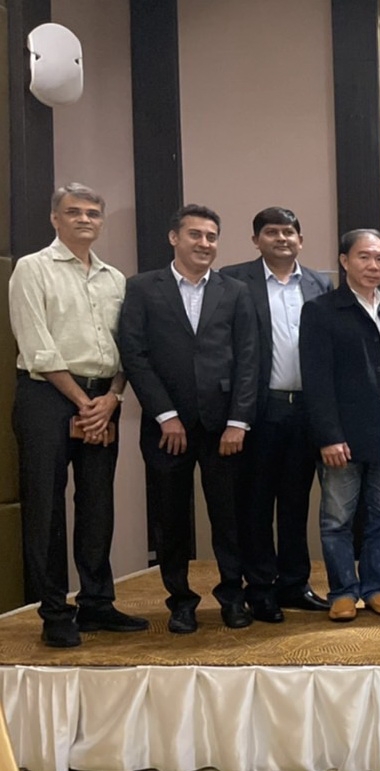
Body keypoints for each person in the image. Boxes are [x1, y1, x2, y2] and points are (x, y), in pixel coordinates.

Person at [10, 183, 146, 647]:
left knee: (97, 505)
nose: (84, 219)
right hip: (46, 397)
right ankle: (54, 612)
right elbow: (37, 346)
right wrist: (82, 403)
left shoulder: (115, 279)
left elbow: (127, 346)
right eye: (74, 212)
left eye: (92, 213)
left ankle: (97, 603)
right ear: (55, 218)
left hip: (103, 398)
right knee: (46, 507)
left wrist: (112, 398)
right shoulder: (32, 268)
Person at [117, 204, 258, 634]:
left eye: (212, 236)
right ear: (174, 238)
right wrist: (165, 415)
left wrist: (238, 421)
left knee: (230, 518)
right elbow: (134, 354)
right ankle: (180, 601)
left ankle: (233, 596)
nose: (204, 243)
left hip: (223, 429)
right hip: (167, 429)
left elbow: (249, 359)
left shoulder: (235, 291)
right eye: (195, 234)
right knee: (170, 518)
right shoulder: (142, 288)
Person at [219, 207, 334, 620]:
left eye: (289, 232)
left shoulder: (319, 283)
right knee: (255, 503)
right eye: (271, 232)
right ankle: (260, 587)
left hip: (305, 408)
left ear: (301, 240)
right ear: (256, 240)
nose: (282, 238)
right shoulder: (234, 280)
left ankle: (294, 584)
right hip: (259, 407)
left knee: (295, 502)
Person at [300, 228, 380, 622]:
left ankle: (376, 588)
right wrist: (329, 435)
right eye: (364, 257)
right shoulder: (321, 310)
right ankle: (343, 591)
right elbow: (316, 380)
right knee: (337, 517)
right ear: (345, 261)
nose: (373, 265)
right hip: (342, 430)